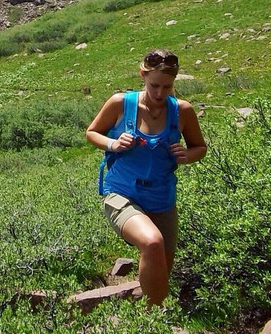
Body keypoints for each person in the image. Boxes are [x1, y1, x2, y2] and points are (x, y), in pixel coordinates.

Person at [85, 48, 207, 306]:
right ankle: (154, 322)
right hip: (121, 193)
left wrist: (186, 155)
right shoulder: (120, 103)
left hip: (161, 197)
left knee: (161, 269)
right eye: (154, 85)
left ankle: (152, 313)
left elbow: (200, 147)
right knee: (152, 242)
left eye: (167, 86)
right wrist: (113, 144)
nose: (160, 93)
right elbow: (92, 133)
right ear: (143, 75)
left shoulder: (182, 111)